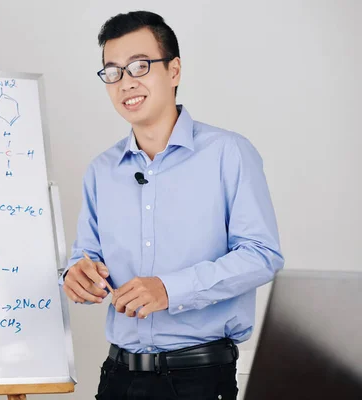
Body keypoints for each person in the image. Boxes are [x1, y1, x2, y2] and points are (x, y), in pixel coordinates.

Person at [60, 11, 284, 400]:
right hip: (119, 376)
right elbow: (87, 253)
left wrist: (170, 289)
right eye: (112, 72)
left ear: (174, 70)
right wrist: (77, 273)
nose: (126, 83)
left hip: (198, 377)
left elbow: (262, 255)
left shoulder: (228, 153)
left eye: (140, 66)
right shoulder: (101, 170)